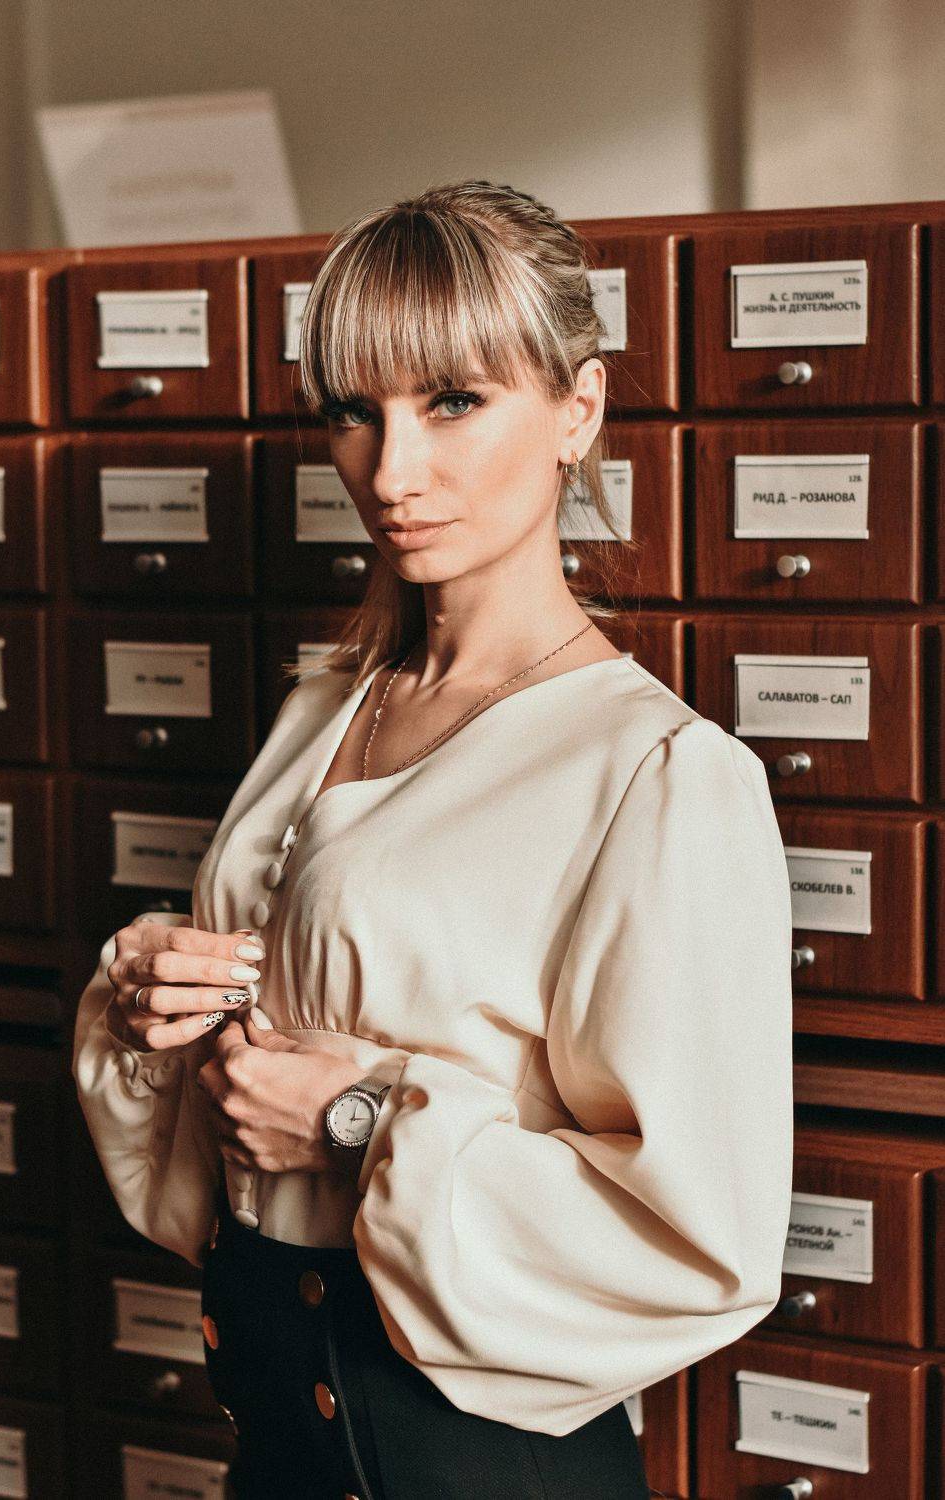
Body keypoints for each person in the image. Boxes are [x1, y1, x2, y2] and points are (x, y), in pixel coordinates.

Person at [72, 180, 794, 1499]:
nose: (391, 472)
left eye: (454, 401)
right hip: (279, 1433)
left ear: (578, 409)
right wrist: (149, 1005)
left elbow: (704, 1244)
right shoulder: (323, 708)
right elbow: (222, 1147)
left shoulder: (660, 776)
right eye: (355, 411)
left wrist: (359, 1124)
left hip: (472, 1459)